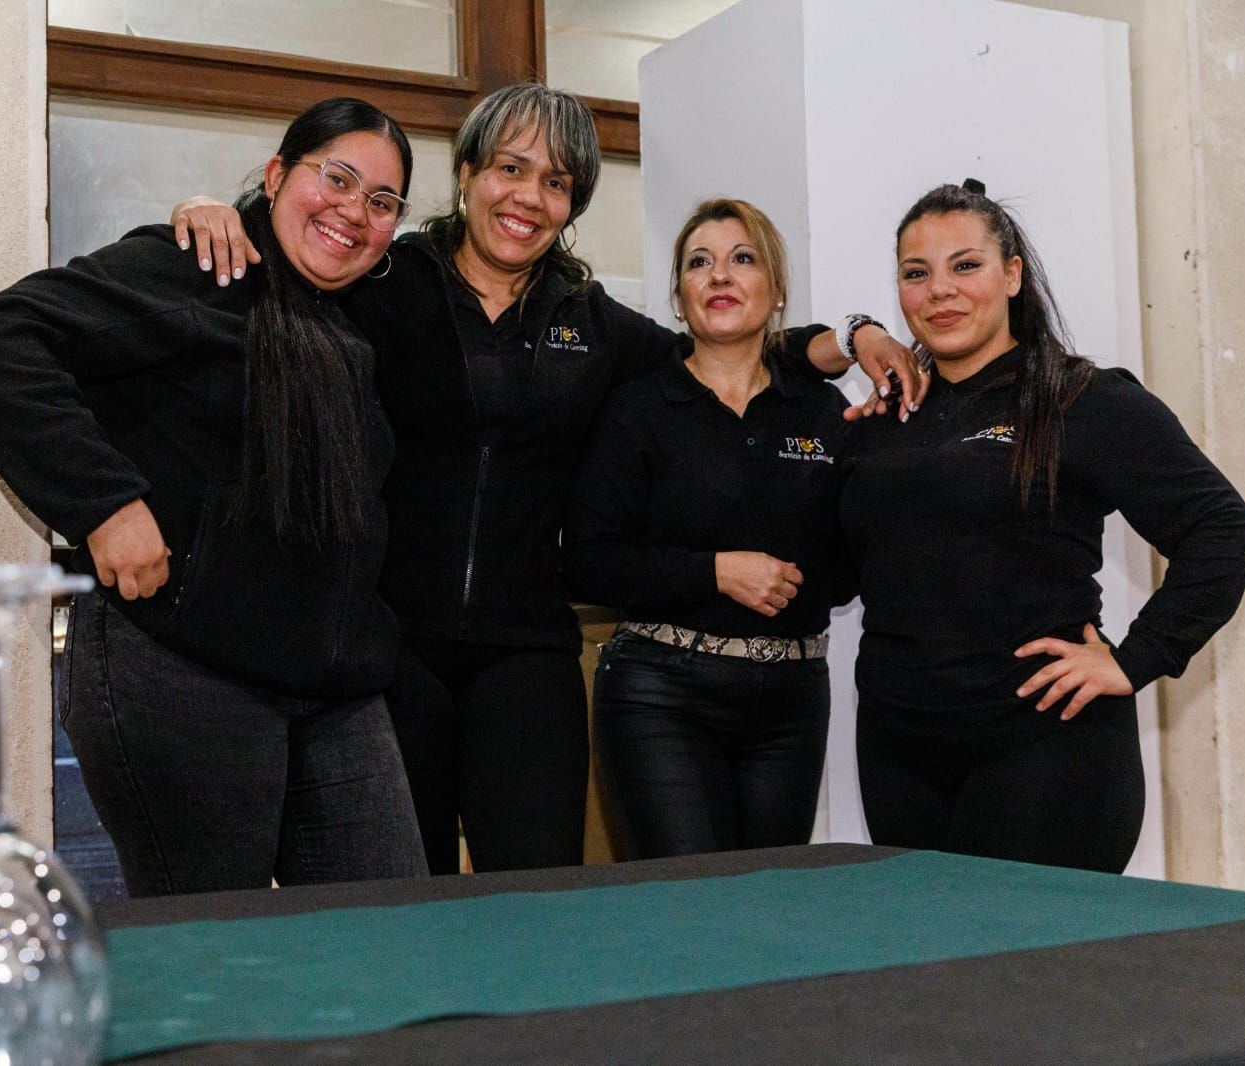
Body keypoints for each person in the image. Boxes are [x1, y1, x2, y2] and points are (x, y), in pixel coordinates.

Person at [169, 83, 926, 875]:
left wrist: (852, 337)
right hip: (387, 649)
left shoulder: (592, 322)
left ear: (572, 204)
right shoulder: (384, 281)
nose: (528, 196)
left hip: (526, 656)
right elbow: (288, 270)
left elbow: (715, 346)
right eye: (510, 168)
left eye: (556, 181)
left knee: (538, 902)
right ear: (467, 173)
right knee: (400, 900)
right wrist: (219, 211)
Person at [0, 98, 429, 895]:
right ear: (277, 175)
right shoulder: (198, 266)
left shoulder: (364, 310)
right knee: (213, 947)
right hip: (181, 671)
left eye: (382, 202)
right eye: (336, 178)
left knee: (388, 932)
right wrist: (104, 505)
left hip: (337, 689)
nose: (353, 211)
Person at [841, 179, 1245, 873]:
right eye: (917, 273)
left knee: (1026, 949)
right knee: (923, 946)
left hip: (1045, 747)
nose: (940, 290)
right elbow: (845, 568)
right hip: (899, 749)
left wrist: (1136, 658)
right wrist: (852, 337)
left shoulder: (1082, 399)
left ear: (1011, 275)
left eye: (965, 265)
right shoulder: (885, 420)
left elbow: (1221, 528)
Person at [563, 198, 850, 858]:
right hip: (661, 695)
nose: (719, 275)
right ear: (679, 297)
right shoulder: (637, 410)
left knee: (772, 901)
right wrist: (715, 571)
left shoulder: (824, 412)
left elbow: (852, 561)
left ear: (777, 290)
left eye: (742, 258)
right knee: (691, 900)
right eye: (699, 263)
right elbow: (588, 562)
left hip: (792, 700)